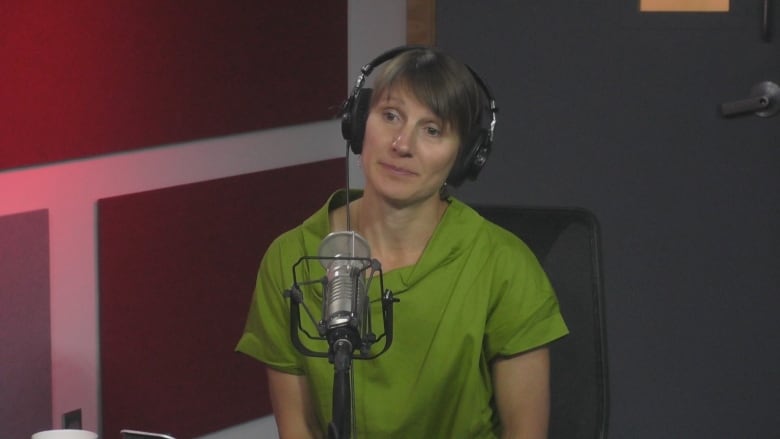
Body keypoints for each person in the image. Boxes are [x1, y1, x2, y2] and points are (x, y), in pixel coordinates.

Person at [236, 45, 568, 439]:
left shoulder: (504, 265)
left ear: (464, 157)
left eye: (432, 130)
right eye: (390, 116)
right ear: (359, 124)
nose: (402, 144)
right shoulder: (291, 258)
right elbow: (298, 429)